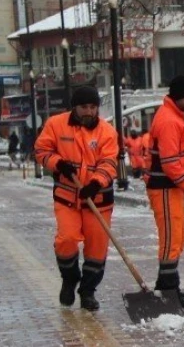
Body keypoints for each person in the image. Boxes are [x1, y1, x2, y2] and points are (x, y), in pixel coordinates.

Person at [34, 85, 120, 311]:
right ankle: (70, 277)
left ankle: (88, 291)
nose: (89, 112)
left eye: (93, 107)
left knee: (96, 247)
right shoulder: (56, 125)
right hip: (67, 197)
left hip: (98, 200)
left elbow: (109, 162)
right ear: (75, 107)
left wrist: (96, 183)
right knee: (67, 239)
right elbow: (41, 151)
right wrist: (57, 163)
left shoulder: (107, 132)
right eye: (84, 107)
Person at [146, 75, 184, 305]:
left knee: (178, 237)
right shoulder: (169, 121)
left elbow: (178, 151)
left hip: (173, 188)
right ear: (180, 97)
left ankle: (166, 283)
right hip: (164, 187)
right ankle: (169, 287)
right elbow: (170, 163)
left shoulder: (179, 117)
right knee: (171, 238)